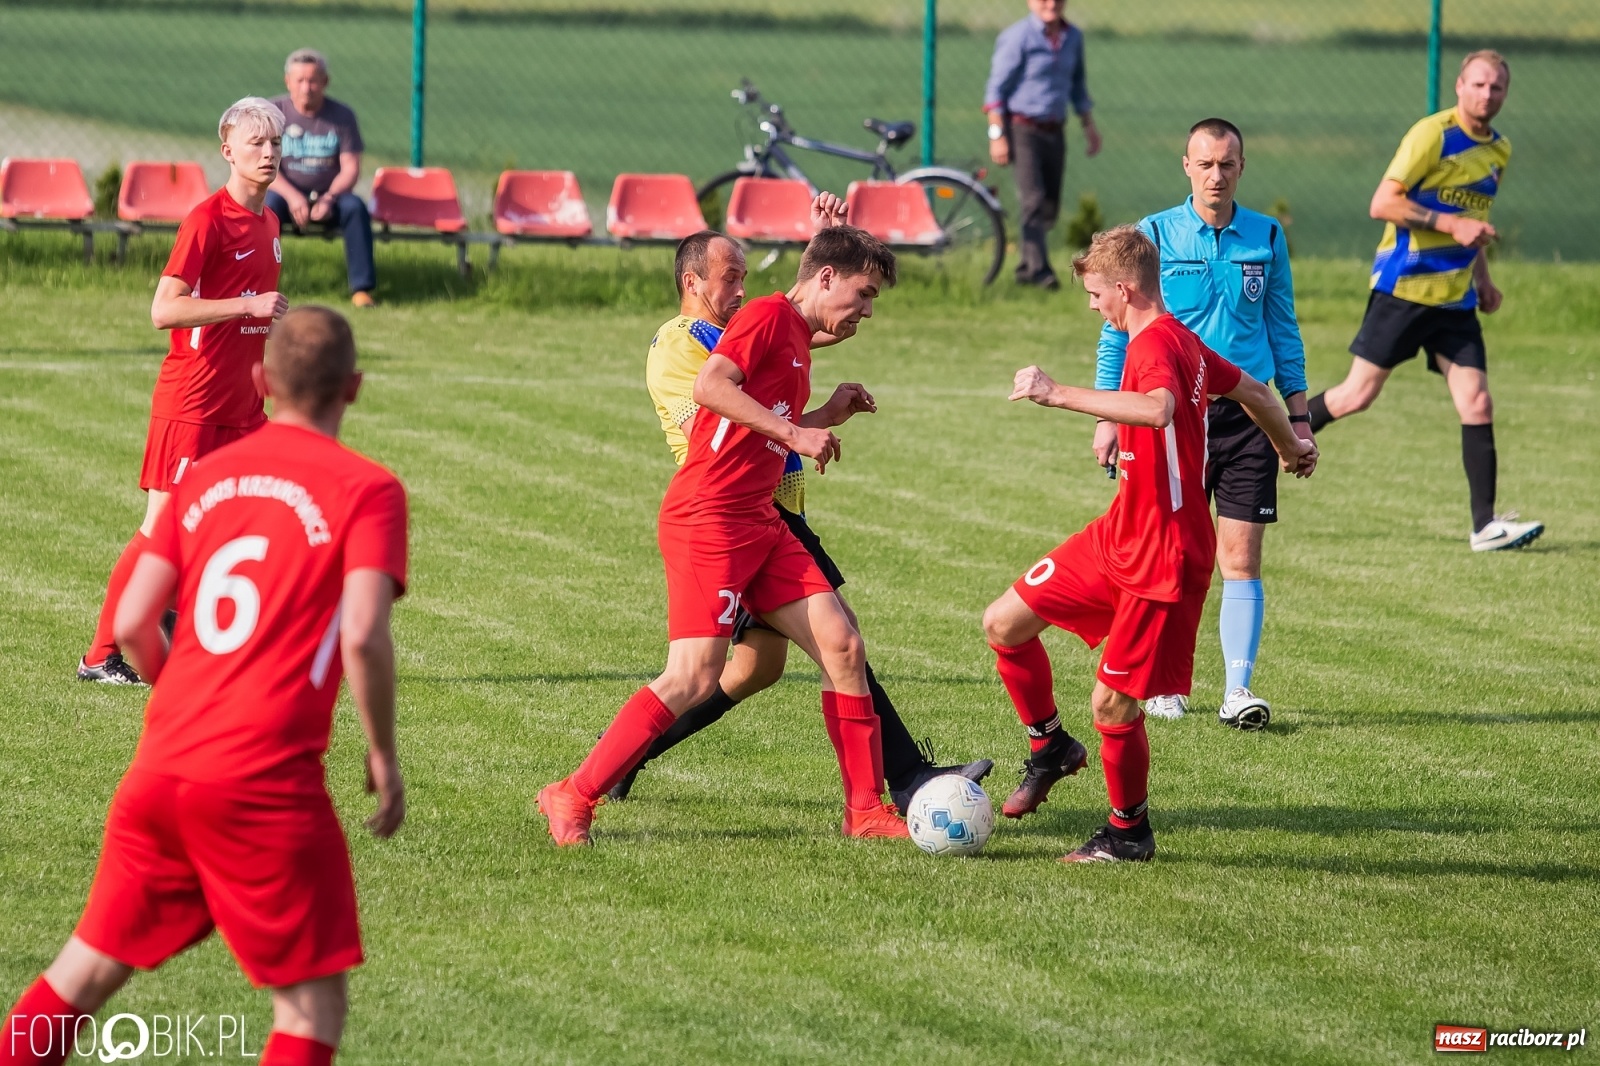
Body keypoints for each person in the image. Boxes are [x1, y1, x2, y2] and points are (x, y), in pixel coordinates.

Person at [5, 307, 407, 1066]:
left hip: (160, 771)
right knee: (310, 1008)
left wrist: (173, 695)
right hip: (264, 783)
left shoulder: (209, 475)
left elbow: (131, 623)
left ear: (260, 381)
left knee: (84, 971)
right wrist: (383, 755)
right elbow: (361, 634)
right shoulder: (368, 488)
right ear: (354, 387)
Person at [537, 226, 911, 846]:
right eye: (864, 293)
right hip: (709, 518)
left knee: (843, 646)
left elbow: (755, 425)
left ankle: (866, 813)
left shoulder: (793, 333)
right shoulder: (766, 316)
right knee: (692, 677)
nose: (867, 309)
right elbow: (711, 387)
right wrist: (798, 436)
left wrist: (820, 419)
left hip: (758, 519)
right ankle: (571, 794)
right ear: (825, 278)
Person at [614, 198, 992, 810]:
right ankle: (907, 781)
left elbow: (797, 334)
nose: (740, 289)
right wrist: (798, 428)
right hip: (727, 510)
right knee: (829, 644)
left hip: (768, 502)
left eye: (744, 277)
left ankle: (629, 755)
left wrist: (829, 253)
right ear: (691, 282)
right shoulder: (679, 342)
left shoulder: (759, 322)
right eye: (727, 278)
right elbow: (720, 418)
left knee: (760, 666)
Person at [981, 227, 1316, 862]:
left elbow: (1158, 407)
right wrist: (1290, 446)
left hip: (1163, 558)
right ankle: (1050, 746)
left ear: (1125, 289)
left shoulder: (1159, 345)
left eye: (1096, 293)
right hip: (1118, 535)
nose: (1091, 305)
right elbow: (1253, 391)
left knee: (1113, 703)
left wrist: (1057, 395)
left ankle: (1128, 831)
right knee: (1004, 623)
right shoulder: (1182, 339)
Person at [1093, 118, 1313, 730]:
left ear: (1242, 168)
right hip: (1171, 413)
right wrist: (1108, 418)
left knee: (1239, 555)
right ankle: (1163, 682)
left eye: (1228, 164)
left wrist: (1298, 419)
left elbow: (1283, 329)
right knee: (1166, 555)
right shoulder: (1154, 235)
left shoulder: (1265, 236)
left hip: (1247, 411)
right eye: (1206, 163)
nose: (1217, 175)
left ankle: (1238, 691)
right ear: (1186, 166)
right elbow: (1119, 328)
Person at [77, 97, 288, 685]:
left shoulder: (270, 222)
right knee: (160, 528)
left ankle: (206, 632)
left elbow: (248, 324)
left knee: (271, 509)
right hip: (192, 405)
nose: (268, 153)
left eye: (275, 144)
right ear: (228, 151)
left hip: (244, 406)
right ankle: (100, 655)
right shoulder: (207, 220)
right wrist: (247, 305)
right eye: (256, 144)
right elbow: (164, 309)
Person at [1306, 50, 1542, 553]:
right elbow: (1382, 202)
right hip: (1405, 290)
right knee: (1355, 396)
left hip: (1455, 303)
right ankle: (1264, 439)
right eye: (1478, 85)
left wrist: (1483, 279)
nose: (1486, 95)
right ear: (1459, 86)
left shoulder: (1499, 150)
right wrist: (1450, 224)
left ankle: (1485, 527)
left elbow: (1472, 219)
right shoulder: (1432, 134)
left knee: (1477, 401)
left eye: (1496, 87)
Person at [983, 0, 1101, 289]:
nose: (1051, 4)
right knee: (1033, 200)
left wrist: (1089, 127)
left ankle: (1025, 267)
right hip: (1022, 128)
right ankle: (1040, 272)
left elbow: (1077, 86)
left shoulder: (1073, 37)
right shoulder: (1018, 37)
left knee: (1048, 206)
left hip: (1055, 130)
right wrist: (996, 135)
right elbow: (996, 90)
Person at [269, 48, 377, 309]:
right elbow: (265, 165)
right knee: (266, 209)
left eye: (313, 80)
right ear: (288, 82)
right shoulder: (273, 112)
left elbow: (350, 168)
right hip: (284, 193)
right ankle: (261, 285)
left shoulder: (342, 116)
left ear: (325, 82)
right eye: (300, 80)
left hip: (331, 195)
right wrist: (294, 197)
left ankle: (361, 290)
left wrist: (329, 198)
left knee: (355, 208)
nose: (307, 87)